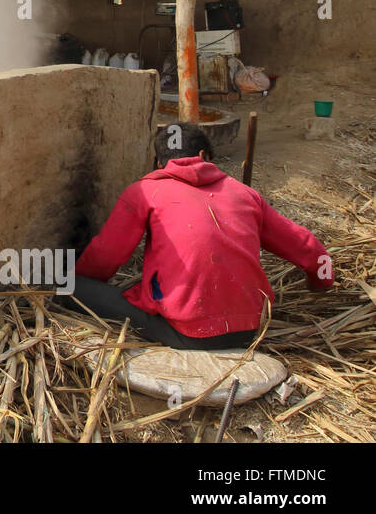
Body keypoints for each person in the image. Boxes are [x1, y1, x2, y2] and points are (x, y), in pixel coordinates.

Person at [62, 123, 333, 350]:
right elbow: (309, 248)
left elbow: (107, 255)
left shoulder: (144, 191)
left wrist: (84, 284)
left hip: (189, 333)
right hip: (252, 329)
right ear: (204, 155)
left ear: (159, 162)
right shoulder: (245, 194)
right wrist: (321, 285)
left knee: (68, 287)